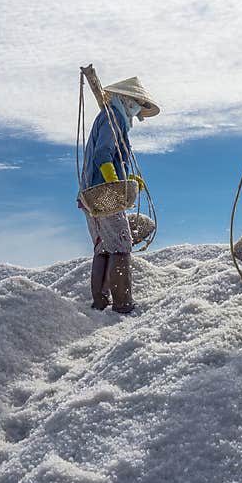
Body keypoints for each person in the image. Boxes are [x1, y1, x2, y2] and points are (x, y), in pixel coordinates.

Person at [79, 77, 159, 314]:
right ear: (125, 99)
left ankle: (101, 302)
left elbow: (109, 156)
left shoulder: (109, 117)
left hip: (88, 193)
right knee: (122, 245)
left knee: (103, 246)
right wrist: (115, 183)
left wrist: (128, 180)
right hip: (103, 194)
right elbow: (103, 154)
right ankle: (123, 304)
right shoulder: (113, 118)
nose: (137, 110)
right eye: (136, 103)